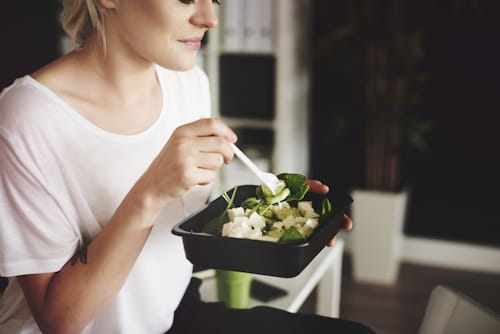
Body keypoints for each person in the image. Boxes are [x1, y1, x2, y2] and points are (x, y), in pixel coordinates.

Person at [0, 0, 375, 333]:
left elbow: (181, 234)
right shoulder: (27, 118)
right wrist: (149, 193)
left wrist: (280, 221)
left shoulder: (190, 83)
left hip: (174, 314)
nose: (210, 18)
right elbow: (59, 321)